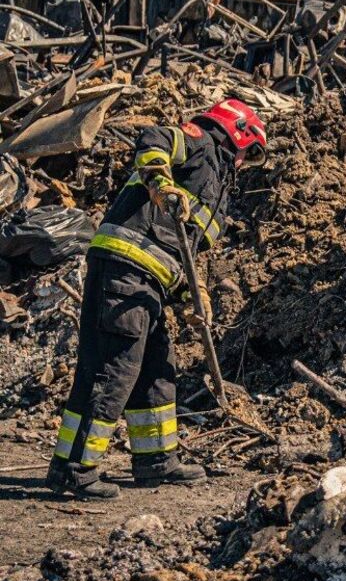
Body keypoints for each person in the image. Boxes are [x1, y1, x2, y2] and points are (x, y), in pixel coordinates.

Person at [46, 99, 267, 500]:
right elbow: (155, 137)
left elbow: (177, 246)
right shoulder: (201, 145)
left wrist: (190, 293)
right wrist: (159, 181)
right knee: (113, 369)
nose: (243, 163)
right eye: (247, 153)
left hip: (151, 282)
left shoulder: (214, 186)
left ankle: (156, 461)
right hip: (123, 269)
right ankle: (72, 468)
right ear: (238, 131)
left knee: (156, 370)